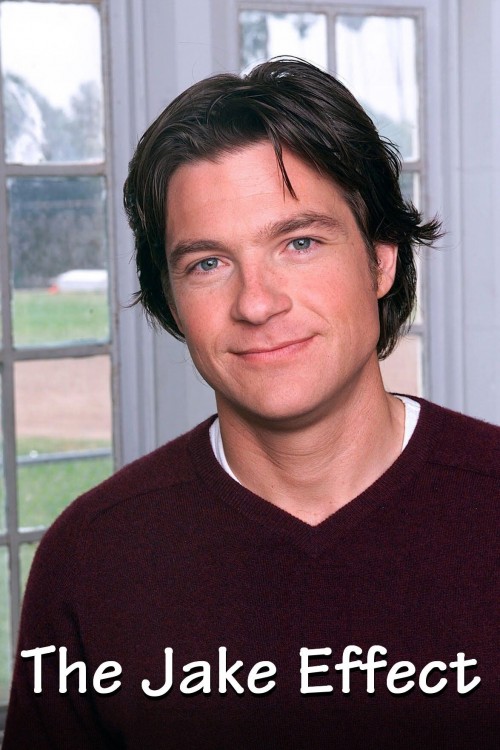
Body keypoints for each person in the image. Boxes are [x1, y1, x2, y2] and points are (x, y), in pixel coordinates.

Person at [4, 59, 499, 749]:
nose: (257, 303)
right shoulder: (90, 559)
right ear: (171, 298)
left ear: (381, 259)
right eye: (207, 263)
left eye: (299, 243)